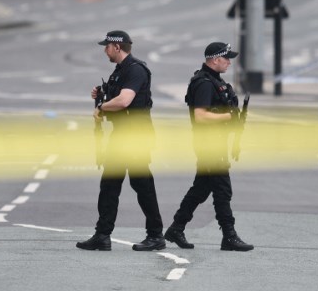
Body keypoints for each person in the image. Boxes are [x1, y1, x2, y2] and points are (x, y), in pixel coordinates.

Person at [77, 30, 165, 252]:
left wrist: (102, 107)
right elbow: (117, 96)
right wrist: (102, 94)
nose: (105, 50)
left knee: (142, 185)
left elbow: (125, 101)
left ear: (117, 47)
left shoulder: (136, 70)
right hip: (121, 135)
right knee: (109, 185)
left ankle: (155, 235)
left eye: (107, 46)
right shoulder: (120, 72)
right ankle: (102, 235)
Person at [164, 42, 253, 252]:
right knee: (222, 190)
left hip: (216, 143)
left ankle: (176, 228)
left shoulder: (216, 82)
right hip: (208, 145)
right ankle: (229, 236)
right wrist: (229, 116)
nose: (229, 62)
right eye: (226, 58)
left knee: (201, 189)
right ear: (214, 59)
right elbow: (201, 116)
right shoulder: (204, 83)